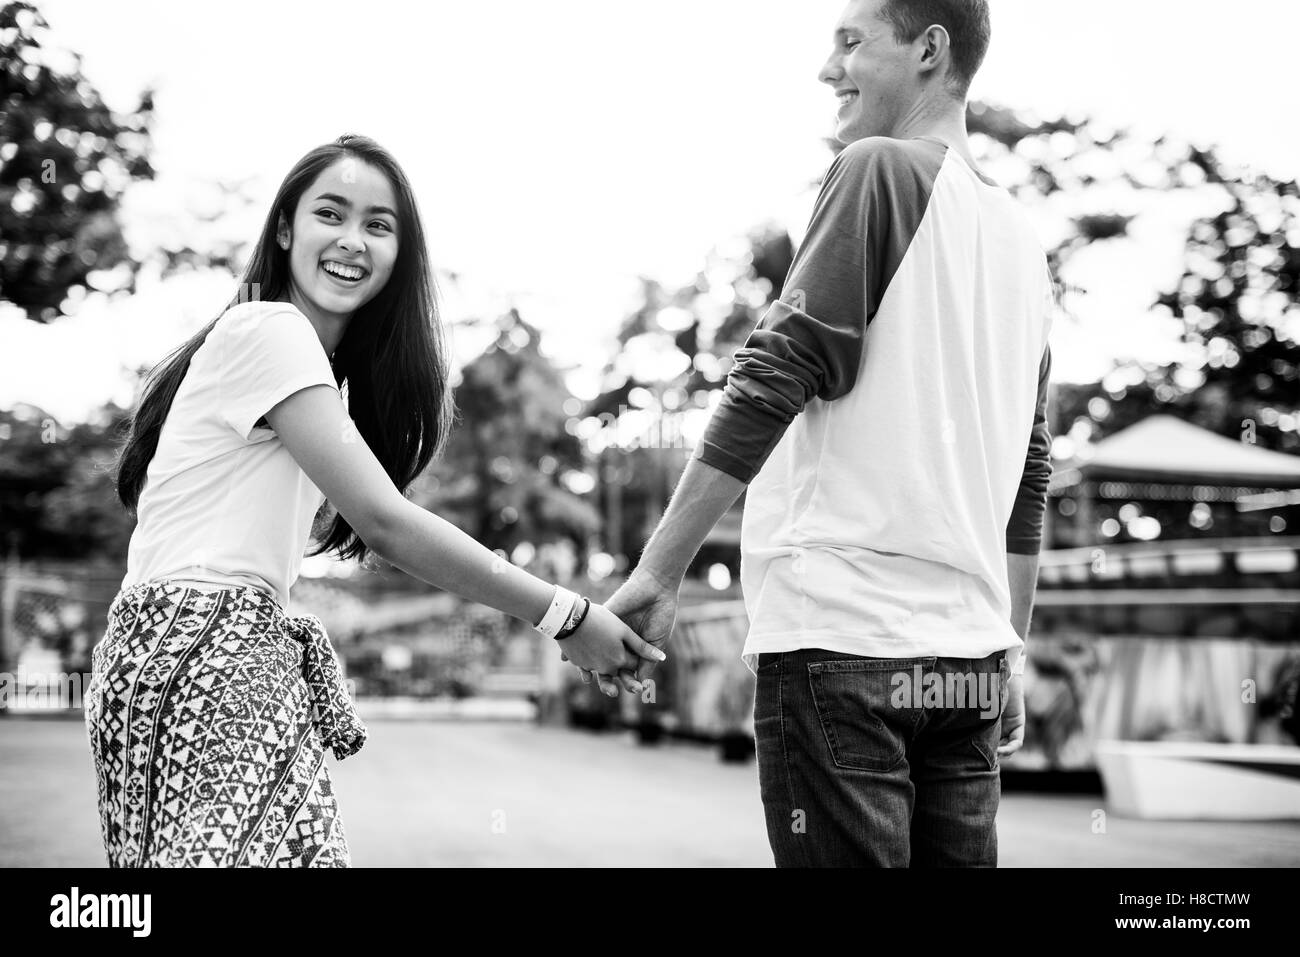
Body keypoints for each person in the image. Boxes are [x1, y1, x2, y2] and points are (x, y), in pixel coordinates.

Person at [87, 133, 663, 868]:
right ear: (287, 228)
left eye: (378, 225)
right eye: (331, 213)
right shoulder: (272, 329)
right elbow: (386, 522)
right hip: (208, 653)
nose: (352, 241)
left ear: (398, 255)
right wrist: (564, 612)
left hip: (167, 649)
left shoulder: (297, 359)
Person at [595, 0, 1054, 866]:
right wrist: (1010, 648)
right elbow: (1029, 473)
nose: (826, 69)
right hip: (967, 663)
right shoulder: (1023, 242)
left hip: (843, 641)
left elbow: (776, 372)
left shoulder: (876, 169)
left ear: (929, 49)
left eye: (851, 43)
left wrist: (659, 571)